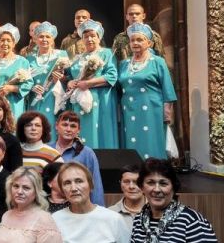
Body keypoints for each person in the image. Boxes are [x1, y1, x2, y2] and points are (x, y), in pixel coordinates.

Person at [118, 23, 177, 160]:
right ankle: (134, 169)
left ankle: (154, 169)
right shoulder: (124, 64)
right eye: (132, 40)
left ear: (149, 43)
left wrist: (167, 113)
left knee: (151, 140)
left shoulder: (157, 61)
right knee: (132, 140)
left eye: (139, 40)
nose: (135, 43)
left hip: (151, 109)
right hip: (128, 109)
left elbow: (167, 88)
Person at [62, 19, 120, 149]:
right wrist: (70, 82)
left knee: (99, 130)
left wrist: (88, 83)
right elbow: (70, 76)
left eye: (93, 36)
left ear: (99, 38)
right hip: (79, 101)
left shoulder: (107, 53)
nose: (89, 39)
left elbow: (112, 76)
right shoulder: (78, 57)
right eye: (86, 36)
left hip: (100, 100)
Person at [0, 23, 33, 118]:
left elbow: (28, 84)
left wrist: (11, 88)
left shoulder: (22, 62)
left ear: (14, 43)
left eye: (8, 40)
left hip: (13, 105)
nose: (5, 43)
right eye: (2, 40)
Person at [53, 110, 106, 204]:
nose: (68, 129)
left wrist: (98, 210)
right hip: (48, 206)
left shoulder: (86, 153)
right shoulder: (47, 149)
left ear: (78, 130)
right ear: (56, 126)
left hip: (77, 206)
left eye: (73, 126)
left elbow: (95, 185)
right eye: (65, 125)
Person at [25, 21, 69, 130]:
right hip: (35, 99)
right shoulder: (29, 58)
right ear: (35, 39)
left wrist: (61, 78)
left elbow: (70, 78)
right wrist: (32, 87)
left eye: (48, 37)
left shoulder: (61, 55)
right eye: (41, 37)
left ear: (52, 39)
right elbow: (25, 81)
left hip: (54, 98)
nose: (44, 39)